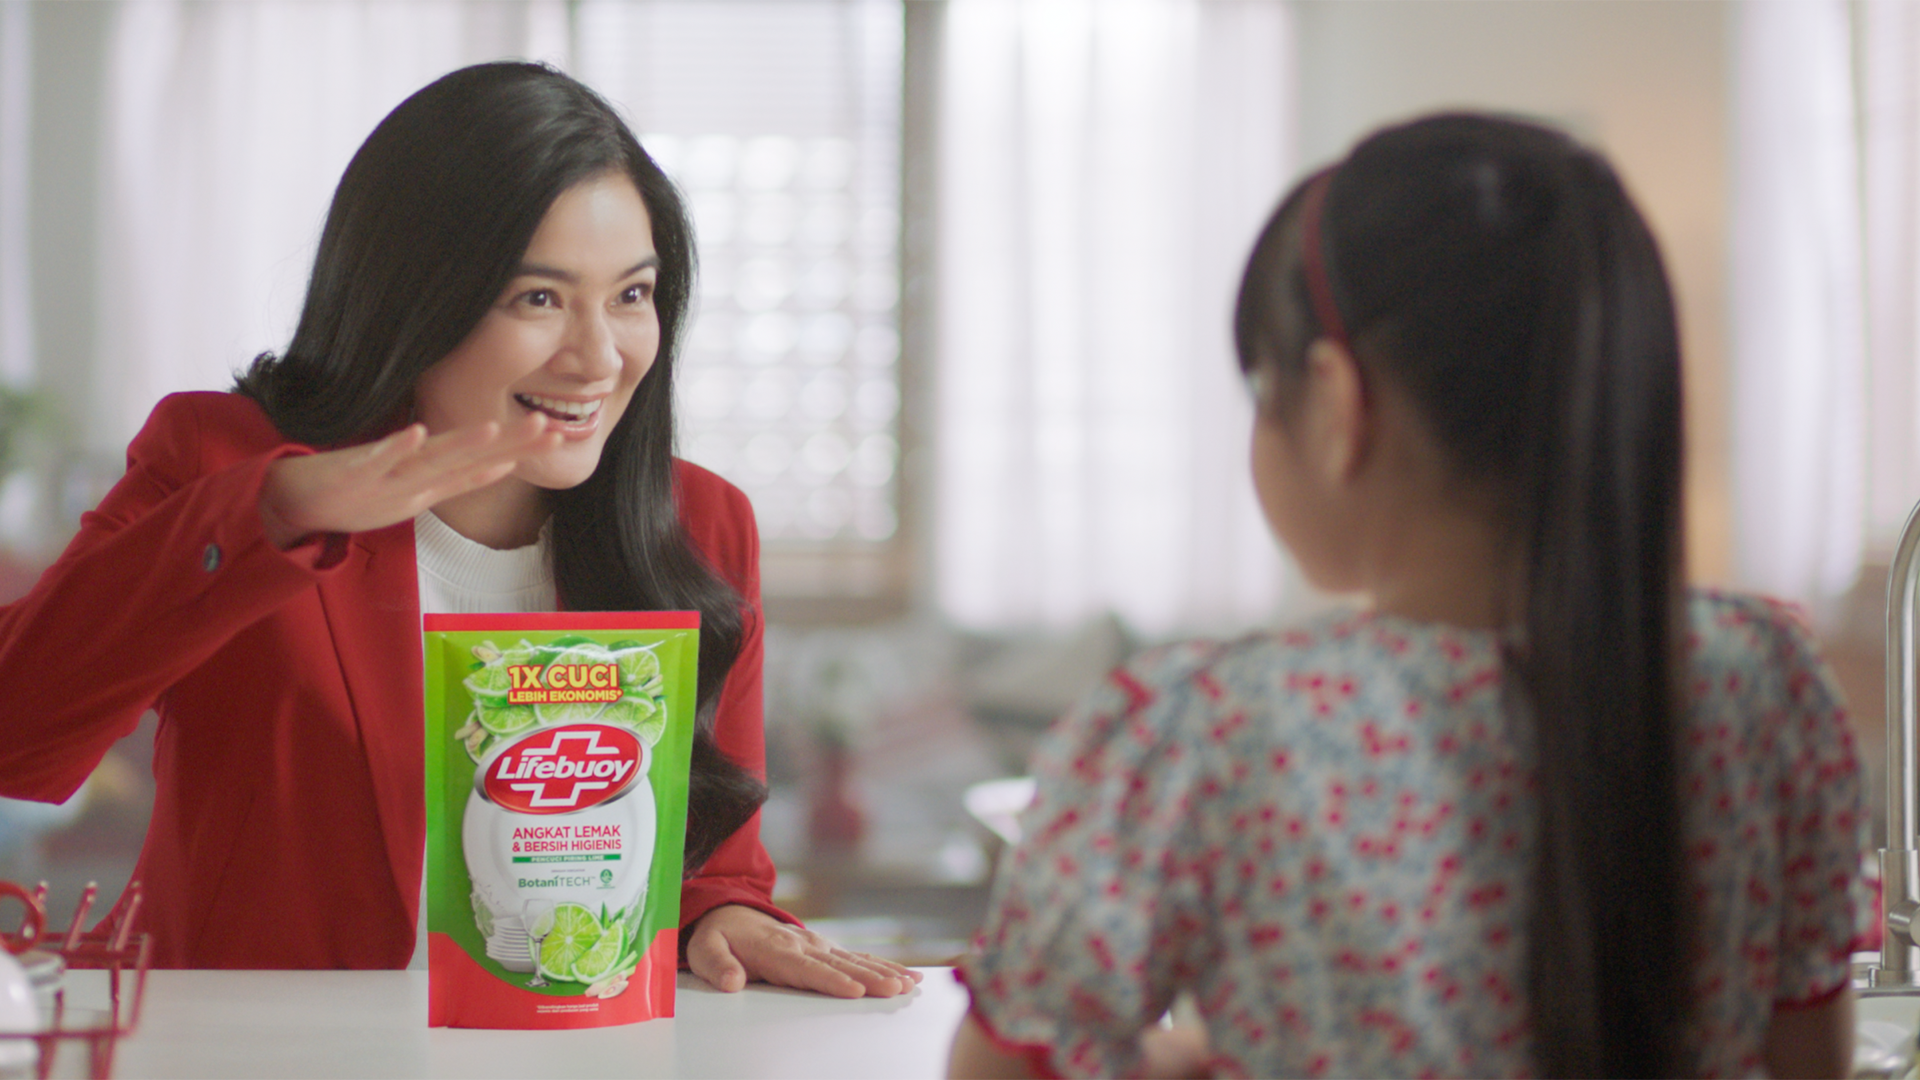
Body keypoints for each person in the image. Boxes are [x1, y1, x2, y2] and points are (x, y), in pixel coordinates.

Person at [948, 114, 1867, 1079]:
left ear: (1337, 405)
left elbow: (1001, 1071)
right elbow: (1809, 1057)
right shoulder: (1760, 682)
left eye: (1262, 387)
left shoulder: (1202, 734)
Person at [0, 61, 918, 999]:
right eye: (539, 298)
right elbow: (15, 736)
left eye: (631, 295)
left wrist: (722, 915)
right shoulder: (226, 465)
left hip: (570, 1054)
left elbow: (710, 870)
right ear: (415, 299)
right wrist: (277, 515)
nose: (599, 357)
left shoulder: (702, 525)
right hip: (255, 1046)